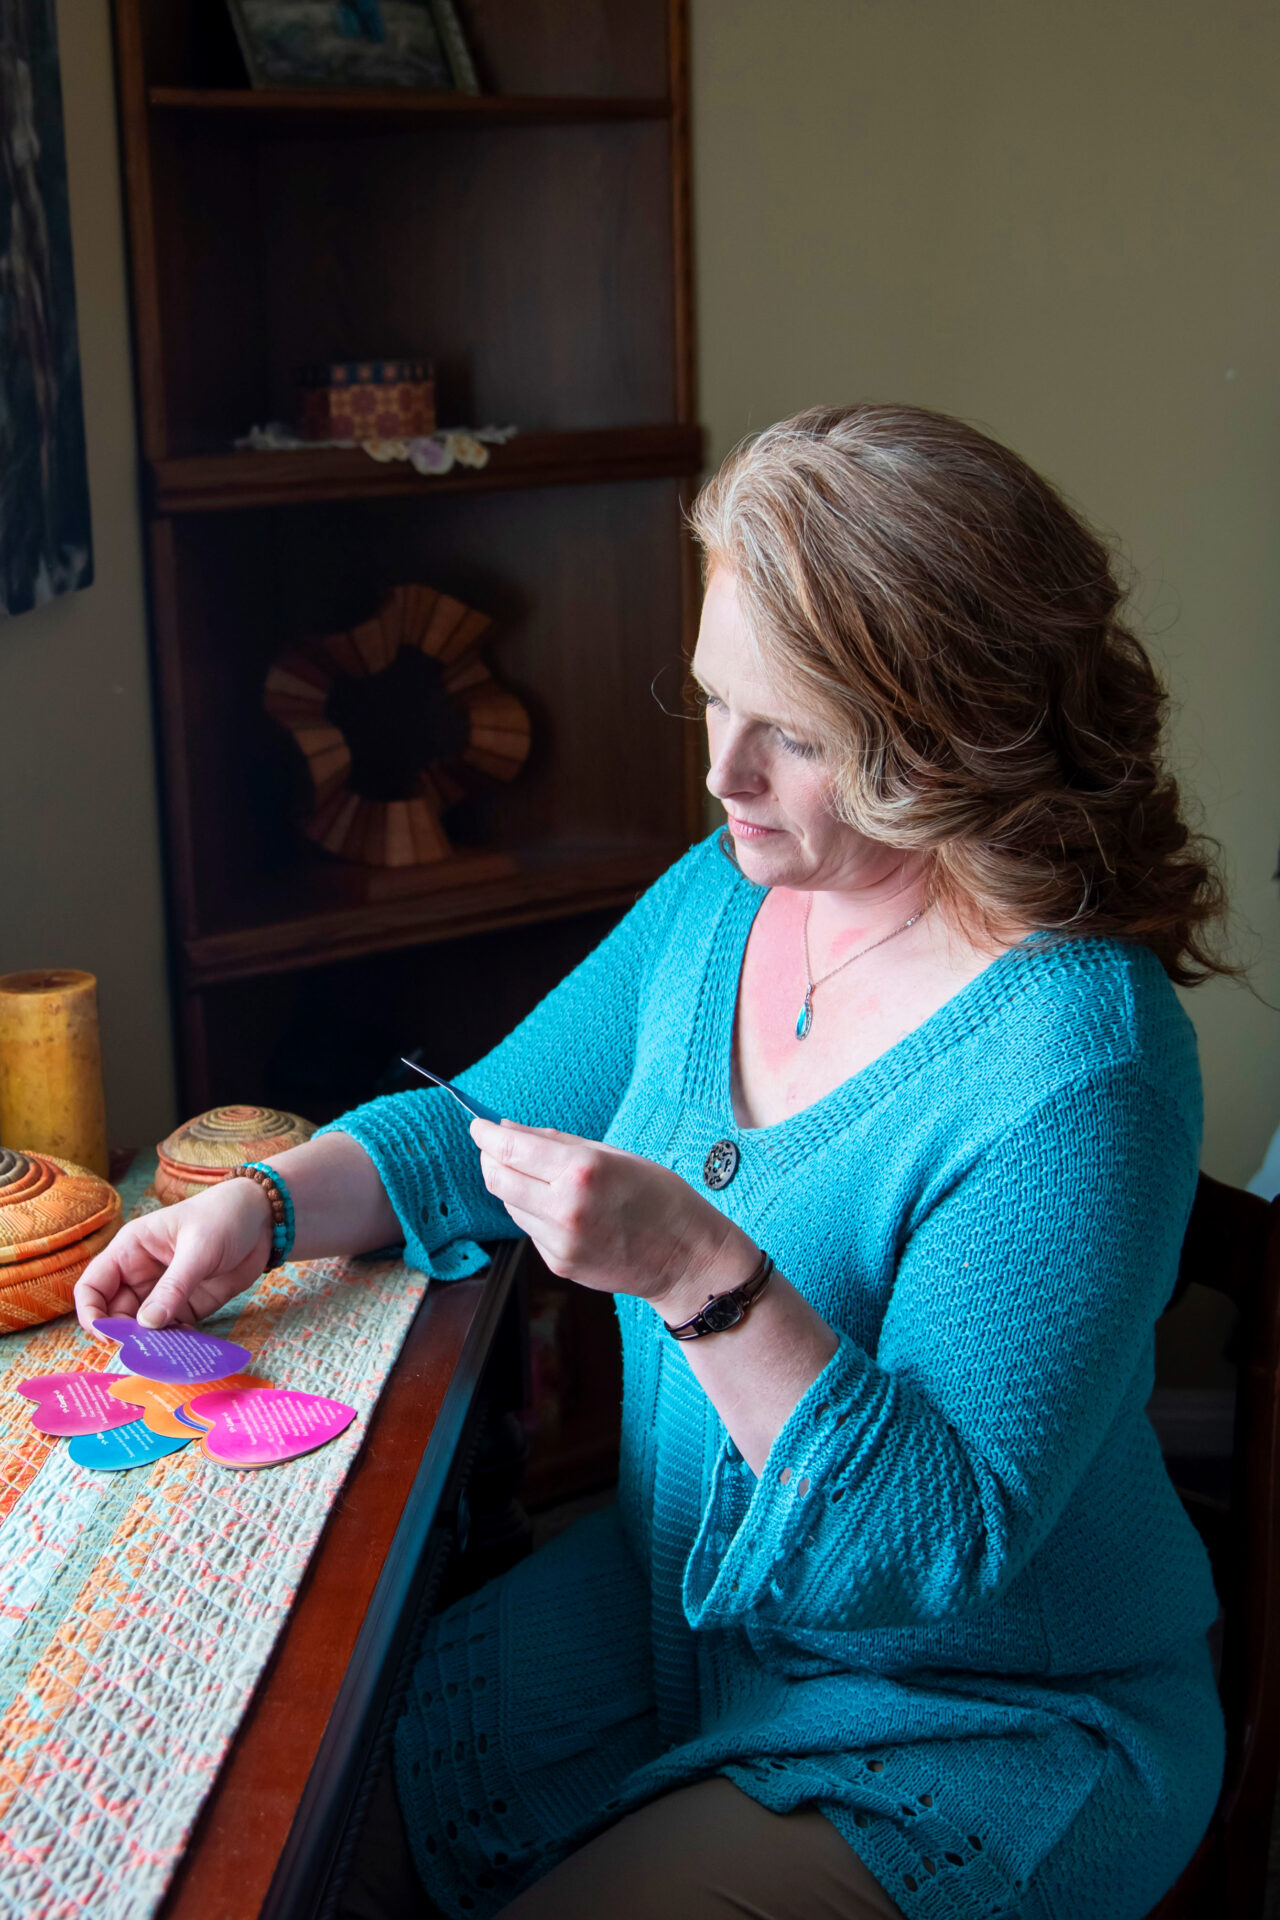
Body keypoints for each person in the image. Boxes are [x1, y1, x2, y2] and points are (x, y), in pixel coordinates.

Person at [77, 405, 1232, 1920]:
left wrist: (702, 1271)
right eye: (714, 706)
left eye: (796, 735)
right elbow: (480, 1119)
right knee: (292, 1825)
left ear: (949, 730)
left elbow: (933, 1551)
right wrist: (268, 1204)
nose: (725, 776)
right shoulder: (723, 898)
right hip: (678, 1607)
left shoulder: (1083, 1064)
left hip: (976, 1718)